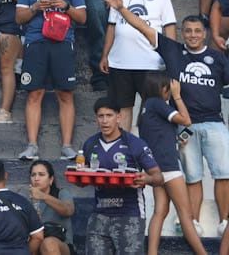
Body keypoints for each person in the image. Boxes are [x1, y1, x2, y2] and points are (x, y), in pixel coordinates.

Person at [15, 0, 86, 161]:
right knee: (34, 93)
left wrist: (65, 6)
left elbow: (83, 18)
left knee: (65, 93)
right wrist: (36, 7)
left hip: (63, 41)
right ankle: (32, 145)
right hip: (35, 41)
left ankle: (67, 146)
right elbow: (19, 18)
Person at [166, 17, 229, 237]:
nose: (193, 35)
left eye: (197, 31)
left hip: (214, 122)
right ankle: (193, 221)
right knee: (192, 176)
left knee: (224, 174)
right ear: (182, 33)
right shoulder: (174, 53)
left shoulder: (218, 58)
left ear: (206, 34)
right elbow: (146, 31)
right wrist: (121, 8)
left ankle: (225, 222)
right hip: (186, 125)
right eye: (189, 31)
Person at [102, 0, 176, 130]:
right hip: (120, 62)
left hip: (150, 63)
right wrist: (105, 55)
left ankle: (148, 150)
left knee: (150, 108)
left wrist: (171, 57)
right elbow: (112, 26)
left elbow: (170, 26)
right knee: (123, 109)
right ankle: (125, 150)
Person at [81, 98, 164, 255]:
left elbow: (159, 177)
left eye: (109, 115)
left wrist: (146, 179)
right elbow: (82, 177)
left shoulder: (135, 143)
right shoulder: (90, 144)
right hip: (99, 214)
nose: (105, 121)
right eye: (101, 116)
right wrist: (81, 178)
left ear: (118, 117)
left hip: (130, 214)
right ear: (96, 118)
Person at [138, 75, 207, 254]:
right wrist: (177, 96)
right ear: (162, 89)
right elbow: (186, 120)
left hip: (155, 168)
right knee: (186, 214)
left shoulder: (145, 108)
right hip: (168, 166)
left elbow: (159, 136)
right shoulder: (157, 103)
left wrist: (176, 140)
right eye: (169, 88)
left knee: (160, 211)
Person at [28, 160, 75, 255]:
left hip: (60, 244)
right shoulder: (25, 199)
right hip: (34, 242)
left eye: (41, 174)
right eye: (33, 175)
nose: (36, 178)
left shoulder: (61, 193)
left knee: (49, 243)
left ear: (51, 179)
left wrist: (43, 196)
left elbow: (68, 210)